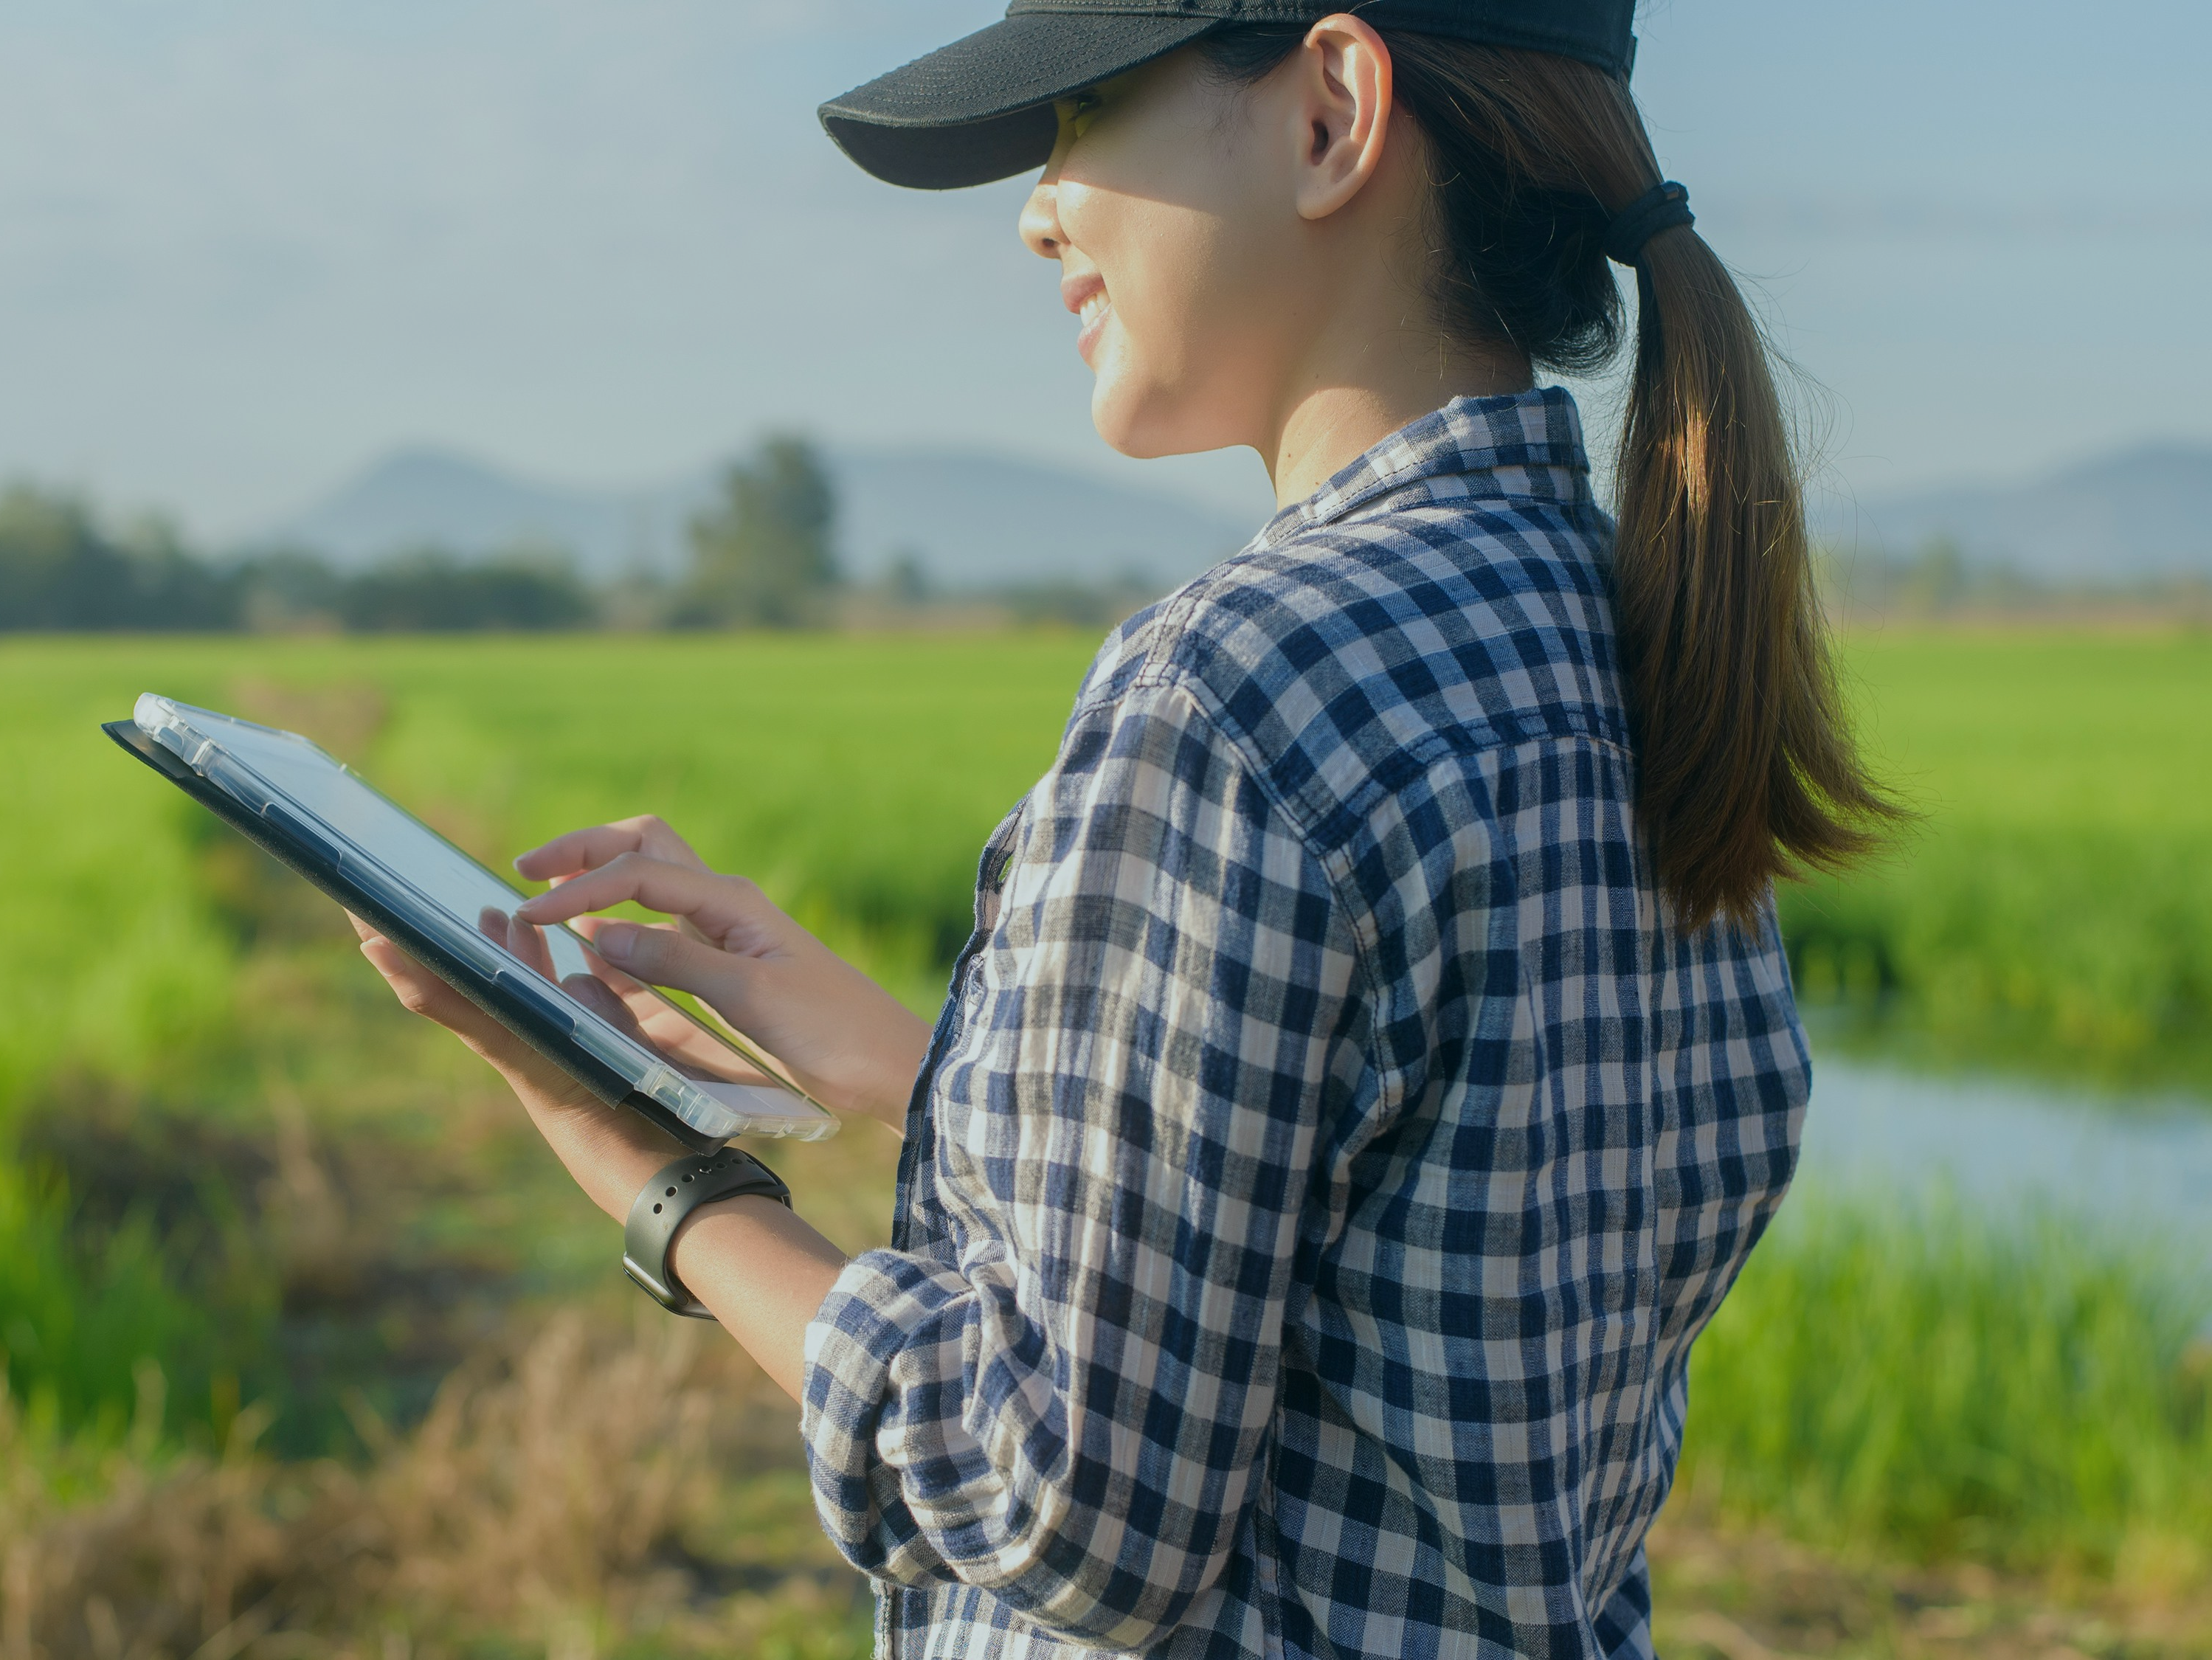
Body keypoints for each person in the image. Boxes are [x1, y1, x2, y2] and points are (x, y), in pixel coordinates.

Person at [351, 2, 1897, 1653]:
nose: (1034, 206)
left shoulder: (1236, 689)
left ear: (1328, 113)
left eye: (1084, 111)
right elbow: (1386, 1212)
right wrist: (938, 1066)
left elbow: (1062, 1505)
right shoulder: (1624, 632)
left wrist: (646, 1167)